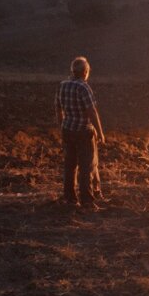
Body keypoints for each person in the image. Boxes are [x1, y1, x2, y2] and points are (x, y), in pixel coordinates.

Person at [54, 56, 105, 209]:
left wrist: (61, 126)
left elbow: (58, 108)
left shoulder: (63, 85)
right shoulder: (83, 87)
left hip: (67, 130)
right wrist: (100, 132)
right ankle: (87, 201)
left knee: (70, 166)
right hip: (83, 131)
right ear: (85, 72)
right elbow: (92, 111)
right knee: (86, 167)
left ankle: (69, 198)